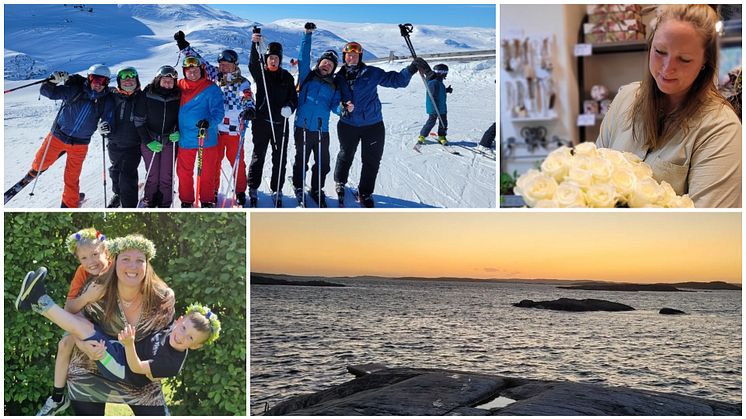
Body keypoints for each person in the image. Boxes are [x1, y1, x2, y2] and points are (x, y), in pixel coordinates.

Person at [596, 4, 742, 208]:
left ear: (705, 61)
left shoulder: (721, 129)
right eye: (660, 51)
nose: (667, 68)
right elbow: (595, 177)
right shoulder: (625, 98)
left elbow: (707, 228)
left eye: (684, 59)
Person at [16, 267, 219, 387]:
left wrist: (129, 345)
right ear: (179, 320)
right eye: (184, 329)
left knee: (85, 331)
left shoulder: (172, 363)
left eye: (191, 339)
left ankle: (38, 300)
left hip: (122, 370)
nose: (183, 337)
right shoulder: (170, 330)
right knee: (84, 325)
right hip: (120, 351)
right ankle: (33, 302)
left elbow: (137, 367)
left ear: (196, 347)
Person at [63, 234, 176, 415]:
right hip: (90, 369)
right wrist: (81, 344)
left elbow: (168, 336)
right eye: (125, 259)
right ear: (114, 261)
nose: (132, 266)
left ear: (147, 265)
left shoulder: (162, 299)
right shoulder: (95, 292)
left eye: (139, 260)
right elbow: (74, 318)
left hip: (139, 376)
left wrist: (161, 364)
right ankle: (56, 396)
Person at [334, 41, 431, 207]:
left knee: (371, 160)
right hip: (347, 124)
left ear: (360, 57)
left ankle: (365, 191)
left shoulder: (371, 73)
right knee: (345, 154)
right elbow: (333, 99)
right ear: (344, 57)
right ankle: (340, 182)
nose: (351, 58)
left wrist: (411, 69)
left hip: (373, 125)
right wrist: (340, 108)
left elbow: (397, 80)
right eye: (348, 55)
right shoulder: (338, 77)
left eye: (355, 55)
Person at [175, 31, 256, 207]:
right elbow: (199, 62)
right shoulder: (215, 76)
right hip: (215, 131)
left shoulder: (242, 82)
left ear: (235, 65)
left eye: (227, 65)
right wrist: (184, 46)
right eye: (221, 64)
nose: (224, 68)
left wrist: (249, 108)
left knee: (237, 163)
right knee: (212, 165)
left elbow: (247, 96)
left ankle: (240, 190)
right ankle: (212, 191)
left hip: (234, 130)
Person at [36, 228, 111, 416]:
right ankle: (57, 397)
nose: (90, 262)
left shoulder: (116, 267)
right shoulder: (82, 272)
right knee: (64, 344)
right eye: (83, 258)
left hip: (107, 323)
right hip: (85, 318)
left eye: (95, 254)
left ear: (106, 252)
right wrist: (87, 296)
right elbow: (70, 308)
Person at [25, 64, 114, 208]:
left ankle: (69, 204)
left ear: (107, 82)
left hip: (80, 144)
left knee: (72, 177)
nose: (98, 84)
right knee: (41, 161)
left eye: (102, 81)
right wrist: (52, 81)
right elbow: (49, 92)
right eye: (95, 79)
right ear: (89, 78)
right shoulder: (75, 90)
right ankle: (35, 170)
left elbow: (108, 118)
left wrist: (105, 126)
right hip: (59, 135)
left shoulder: (106, 100)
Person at [291, 22, 344, 208]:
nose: (327, 65)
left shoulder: (334, 85)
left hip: (322, 129)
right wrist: (307, 35)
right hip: (303, 126)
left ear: (333, 68)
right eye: (324, 62)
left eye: (330, 64)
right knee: (301, 160)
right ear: (319, 63)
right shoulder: (307, 76)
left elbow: (335, 105)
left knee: (323, 163)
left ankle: (316, 189)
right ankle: (298, 185)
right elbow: (303, 58)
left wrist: (342, 110)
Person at [247, 32, 298, 208]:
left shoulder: (287, 77)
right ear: (266, 59)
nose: (273, 61)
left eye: (276, 58)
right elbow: (253, 64)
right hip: (261, 122)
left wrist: (289, 108)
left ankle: (277, 188)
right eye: (270, 58)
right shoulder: (261, 73)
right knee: (258, 155)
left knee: (280, 158)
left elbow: (293, 98)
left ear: (280, 59)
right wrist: (254, 45)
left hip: (280, 124)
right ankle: (253, 187)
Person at [173, 52, 225, 208]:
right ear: (184, 71)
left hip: (206, 138)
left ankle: (207, 199)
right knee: (184, 172)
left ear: (201, 70)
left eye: (195, 70)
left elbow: (218, 113)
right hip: (185, 138)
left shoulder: (211, 88)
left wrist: (208, 122)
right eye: (189, 70)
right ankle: (187, 200)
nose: (192, 73)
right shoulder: (179, 86)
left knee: (207, 171)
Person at [134, 65, 182, 208]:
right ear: (158, 80)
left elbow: (182, 117)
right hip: (151, 140)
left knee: (166, 176)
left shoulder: (178, 95)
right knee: (153, 175)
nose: (168, 83)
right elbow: (139, 121)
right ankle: (149, 200)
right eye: (164, 80)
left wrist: (178, 131)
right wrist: (147, 141)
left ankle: (165, 203)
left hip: (169, 141)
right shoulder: (147, 94)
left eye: (171, 81)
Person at [106, 67, 145, 208]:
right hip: (114, 143)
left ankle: (130, 207)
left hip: (133, 145)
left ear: (137, 80)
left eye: (131, 77)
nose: (128, 80)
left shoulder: (143, 97)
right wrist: (103, 125)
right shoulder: (112, 96)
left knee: (127, 177)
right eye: (124, 78)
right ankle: (118, 194)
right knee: (115, 172)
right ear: (119, 81)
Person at [417, 63, 452, 146]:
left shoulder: (439, 82)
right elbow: (432, 95)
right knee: (431, 122)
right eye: (445, 72)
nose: (446, 74)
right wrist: (434, 105)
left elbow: (439, 91)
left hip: (441, 107)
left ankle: (442, 136)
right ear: (441, 73)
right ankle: (422, 136)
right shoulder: (433, 82)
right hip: (434, 107)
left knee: (443, 122)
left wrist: (447, 90)